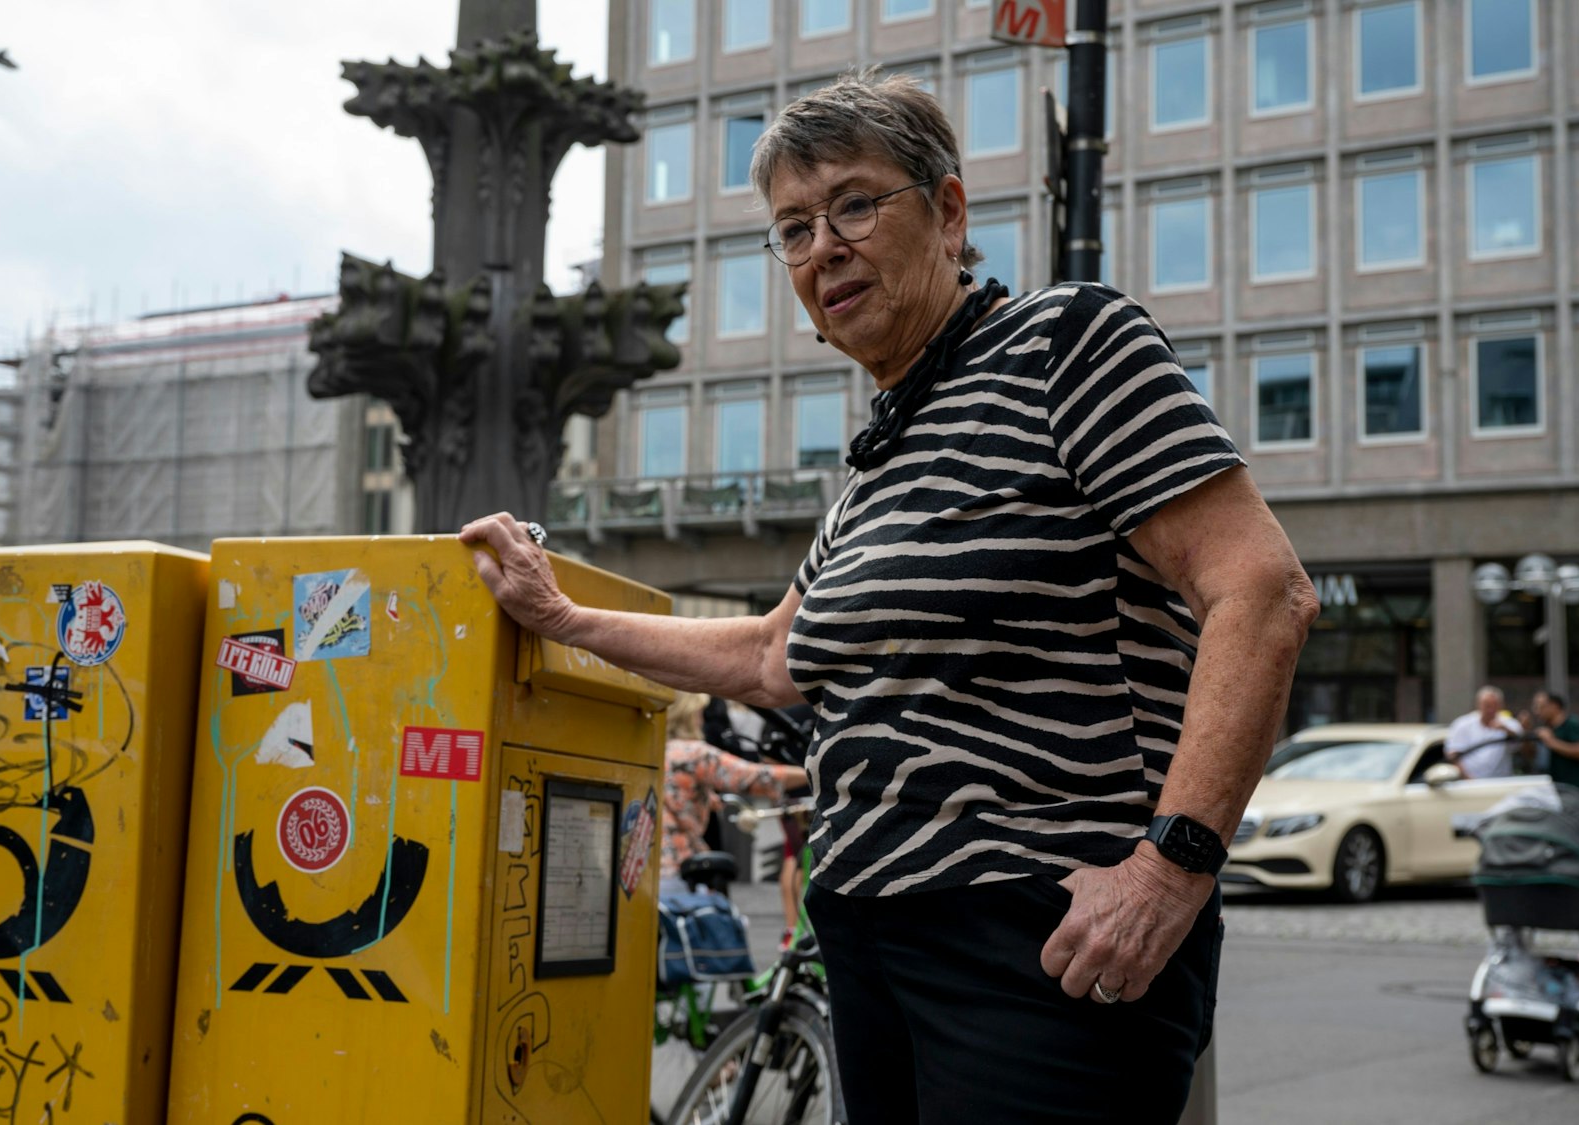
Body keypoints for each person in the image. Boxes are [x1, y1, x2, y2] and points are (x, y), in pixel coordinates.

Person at [459, 71, 1318, 1123]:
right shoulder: (877, 460)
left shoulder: (1065, 345)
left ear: (948, 212)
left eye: (854, 204)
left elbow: (1260, 590)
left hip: (1029, 940)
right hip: (867, 938)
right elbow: (775, 657)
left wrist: (1171, 866)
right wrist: (563, 619)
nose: (822, 247)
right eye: (791, 228)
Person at [659, 693, 806, 889]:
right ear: (688, 715)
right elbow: (754, 777)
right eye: (699, 713)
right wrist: (811, 773)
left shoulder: (657, 749)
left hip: (650, 864)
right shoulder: (694, 753)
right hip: (681, 866)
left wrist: (705, 798)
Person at [1446, 686, 1524, 779]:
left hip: (1501, 784)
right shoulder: (1462, 725)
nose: (1490, 710)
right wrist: (1468, 780)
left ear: (1501, 706)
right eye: (1487, 705)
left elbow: (1519, 744)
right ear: (1478, 705)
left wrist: (1505, 730)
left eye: (1494, 705)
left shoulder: (1509, 723)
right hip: (1469, 786)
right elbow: (1453, 754)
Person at [1524, 691, 1579, 792]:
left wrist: (1551, 742)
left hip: (1573, 788)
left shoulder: (1572, 724)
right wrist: (1526, 733)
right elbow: (1532, 756)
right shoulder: (1547, 728)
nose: (1536, 711)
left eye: (1540, 707)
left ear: (1554, 706)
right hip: (1552, 788)